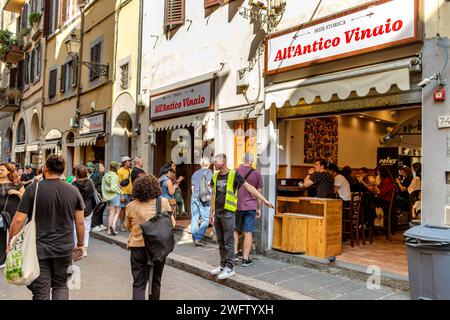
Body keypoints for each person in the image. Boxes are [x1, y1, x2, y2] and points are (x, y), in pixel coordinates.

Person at [8, 155, 85, 300]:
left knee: (41, 290)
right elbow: (80, 223)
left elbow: (18, 220)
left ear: (45, 168)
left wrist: (11, 241)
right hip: (64, 248)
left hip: (38, 249)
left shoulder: (33, 189)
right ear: (63, 171)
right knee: (61, 286)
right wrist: (81, 245)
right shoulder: (73, 191)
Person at [209, 154, 274, 280]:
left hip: (228, 212)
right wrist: (211, 212)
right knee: (221, 241)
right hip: (217, 213)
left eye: (216, 161)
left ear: (223, 162)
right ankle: (222, 265)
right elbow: (213, 194)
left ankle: (230, 267)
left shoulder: (234, 174)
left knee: (229, 241)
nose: (214, 163)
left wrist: (264, 200)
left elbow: (250, 187)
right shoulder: (215, 176)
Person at [126, 175, 176, 300]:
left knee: (139, 283)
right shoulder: (163, 202)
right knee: (155, 282)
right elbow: (172, 224)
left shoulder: (131, 206)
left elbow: (128, 226)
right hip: (158, 247)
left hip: (137, 247)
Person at [234, 153, 263, 267]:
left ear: (242, 160)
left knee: (235, 229)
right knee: (248, 232)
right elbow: (259, 192)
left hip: (237, 205)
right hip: (251, 206)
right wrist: (258, 208)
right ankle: (245, 259)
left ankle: (235, 254)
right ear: (252, 161)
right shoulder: (256, 173)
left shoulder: (235, 172)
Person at [0, 163, 25, 269]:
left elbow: (25, 198)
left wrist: (16, 192)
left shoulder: (16, 184)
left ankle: (16, 259)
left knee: (14, 235)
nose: (0, 171)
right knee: (0, 235)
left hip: (13, 212)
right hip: (0, 214)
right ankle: (2, 260)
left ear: (9, 171)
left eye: (2, 170)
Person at [72, 165, 96, 257]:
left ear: (76, 173)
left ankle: (77, 247)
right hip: (88, 207)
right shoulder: (90, 182)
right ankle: (84, 248)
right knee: (86, 228)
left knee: (75, 228)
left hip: (77, 208)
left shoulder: (74, 185)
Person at [190, 157, 213, 246]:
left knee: (195, 218)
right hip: (204, 197)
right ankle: (198, 238)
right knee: (206, 219)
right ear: (208, 164)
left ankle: (195, 237)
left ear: (200, 164)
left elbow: (192, 188)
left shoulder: (195, 173)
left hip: (194, 196)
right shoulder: (209, 172)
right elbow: (208, 184)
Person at [102, 161, 122, 236]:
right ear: (116, 167)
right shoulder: (115, 176)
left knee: (112, 212)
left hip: (108, 196)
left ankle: (109, 230)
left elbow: (106, 187)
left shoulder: (106, 175)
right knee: (116, 211)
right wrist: (119, 190)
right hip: (114, 195)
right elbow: (113, 188)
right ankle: (112, 226)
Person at [118, 156, 133, 232]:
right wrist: (121, 195)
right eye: (128, 161)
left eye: (130, 161)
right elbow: (118, 184)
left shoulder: (131, 170)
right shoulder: (120, 171)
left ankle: (128, 224)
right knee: (123, 209)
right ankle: (121, 225)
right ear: (124, 162)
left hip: (131, 193)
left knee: (130, 210)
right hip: (124, 193)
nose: (130, 162)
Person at [91, 163, 107, 232]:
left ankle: (100, 224)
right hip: (98, 196)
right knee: (97, 210)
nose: (103, 167)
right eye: (101, 166)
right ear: (97, 168)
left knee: (101, 210)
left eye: (103, 166)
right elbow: (93, 187)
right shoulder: (94, 176)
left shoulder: (103, 175)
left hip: (104, 196)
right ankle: (95, 225)